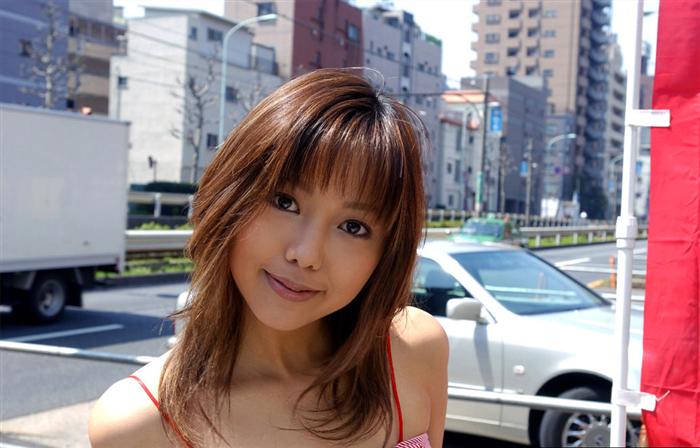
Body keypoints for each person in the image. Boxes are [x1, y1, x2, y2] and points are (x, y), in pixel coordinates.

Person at [89, 69, 448, 448]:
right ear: (230, 196)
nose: (306, 255)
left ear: (387, 252)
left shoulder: (414, 350)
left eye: (353, 227)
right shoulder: (142, 422)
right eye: (285, 202)